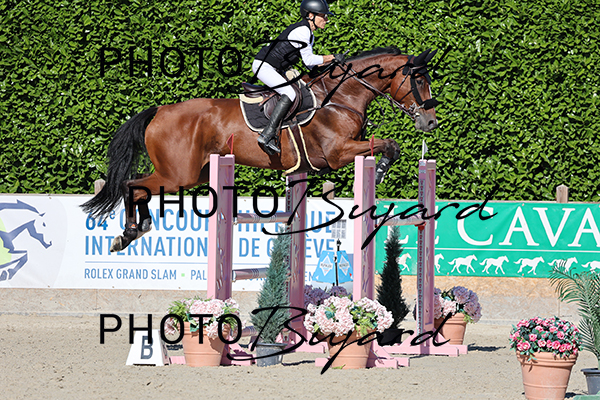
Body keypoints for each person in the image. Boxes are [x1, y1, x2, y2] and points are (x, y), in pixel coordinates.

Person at [252, 0, 339, 155]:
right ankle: (267, 134)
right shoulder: (302, 31)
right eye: (323, 16)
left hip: (274, 68)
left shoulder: (309, 34)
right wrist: (331, 57)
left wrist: (332, 64)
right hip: (264, 66)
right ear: (311, 15)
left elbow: (310, 66)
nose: (326, 20)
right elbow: (309, 60)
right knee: (290, 93)